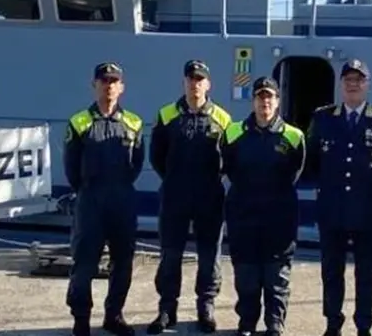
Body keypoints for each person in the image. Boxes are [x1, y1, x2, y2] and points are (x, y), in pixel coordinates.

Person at [304, 59, 372, 336]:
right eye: (348, 79)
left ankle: (363, 326)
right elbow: (311, 159)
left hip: (368, 208)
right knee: (332, 271)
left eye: (359, 79)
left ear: (368, 84)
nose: (353, 84)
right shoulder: (323, 118)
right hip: (332, 208)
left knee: (366, 272)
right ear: (341, 84)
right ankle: (333, 322)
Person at [147, 60, 233, 334]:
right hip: (175, 197)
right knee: (170, 254)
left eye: (200, 79)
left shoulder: (223, 118)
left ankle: (205, 307)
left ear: (208, 84)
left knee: (209, 255)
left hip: (210, 198)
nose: (195, 84)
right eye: (190, 79)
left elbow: (229, 160)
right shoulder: (166, 115)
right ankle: (166, 309)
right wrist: (175, 180)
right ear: (184, 82)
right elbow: (156, 157)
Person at [218, 76, 305, 336]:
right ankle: (247, 322)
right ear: (253, 100)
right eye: (260, 96)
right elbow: (228, 168)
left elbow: (295, 172)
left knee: (276, 276)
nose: (264, 101)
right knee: (246, 274)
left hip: (279, 218)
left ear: (277, 101)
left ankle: (274, 324)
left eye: (270, 96)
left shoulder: (294, 136)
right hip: (243, 215)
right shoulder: (233, 133)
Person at [64, 62, 145, 336]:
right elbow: (71, 168)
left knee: (123, 262)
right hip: (91, 200)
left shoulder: (134, 123)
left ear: (121, 87)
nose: (108, 86)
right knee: (84, 262)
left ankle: (114, 316)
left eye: (113, 81)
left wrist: (119, 187)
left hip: (122, 200)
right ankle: (81, 318)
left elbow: (137, 163)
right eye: (103, 81)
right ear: (94, 85)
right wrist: (88, 189)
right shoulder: (79, 122)